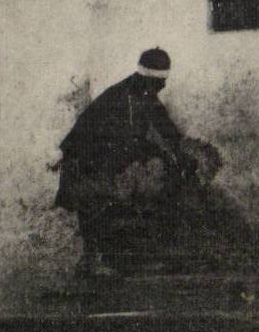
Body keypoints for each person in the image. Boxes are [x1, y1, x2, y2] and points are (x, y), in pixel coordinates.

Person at [55, 47, 218, 275]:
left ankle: (103, 259)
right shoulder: (121, 99)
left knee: (127, 190)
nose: (163, 87)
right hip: (84, 159)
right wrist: (162, 156)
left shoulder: (142, 94)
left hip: (100, 158)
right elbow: (123, 142)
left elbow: (166, 129)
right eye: (159, 82)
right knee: (100, 200)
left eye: (164, 81)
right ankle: (93, 261)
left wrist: (182, 154)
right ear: (147, 78)